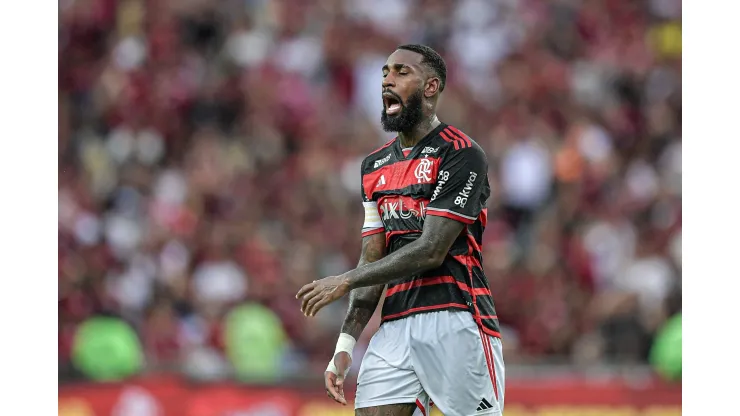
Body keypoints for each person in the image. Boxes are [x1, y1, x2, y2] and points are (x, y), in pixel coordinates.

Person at [296, 44, 505, 416]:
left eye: (401, 72)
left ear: (430, 87)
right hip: (394, 325)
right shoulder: (373, 166)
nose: (387, 80)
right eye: (384, 73)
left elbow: (431, 250)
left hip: (455, 317)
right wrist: (345, 344)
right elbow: (372, 256)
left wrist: (345, 280)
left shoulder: (461, 154)